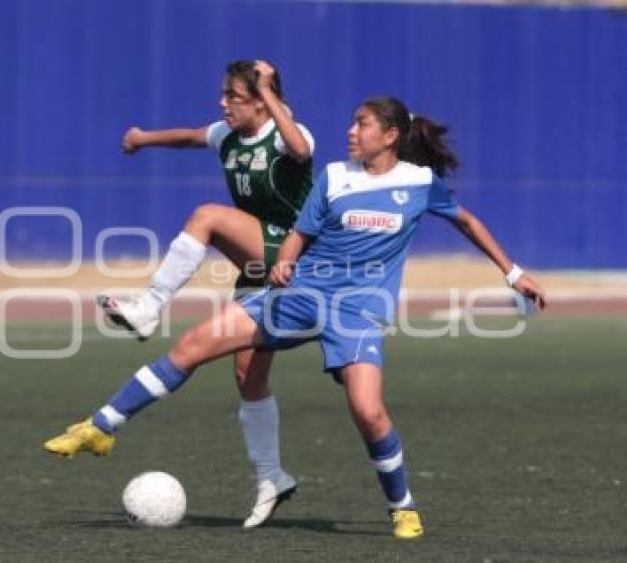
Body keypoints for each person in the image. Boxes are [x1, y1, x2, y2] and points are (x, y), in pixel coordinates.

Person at [44, 97, 548, 539]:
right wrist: (284, 260)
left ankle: (403, 507)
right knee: (195, 344)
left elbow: (466, 221)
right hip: (302, 294)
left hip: (356, 312)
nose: (351, 131)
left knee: (368, 412)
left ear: (390, 136)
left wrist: (513, 273)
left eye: (362, 124)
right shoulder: (334, 177)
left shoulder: (418, 183)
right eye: (352, 123)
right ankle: (100, 426)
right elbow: (302, 233)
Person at [96, 60, 315, 527]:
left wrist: (269, 91)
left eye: (233, 96)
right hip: (261, 267)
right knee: (247, 375)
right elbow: (190, 136)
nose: (223, 103)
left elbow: (299, 150)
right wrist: (142, 139)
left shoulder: (287, 131)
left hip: (298, 258)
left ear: (259, 99)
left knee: (208, 216)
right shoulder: (226, 134)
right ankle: (272, 476)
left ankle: (149, 308)